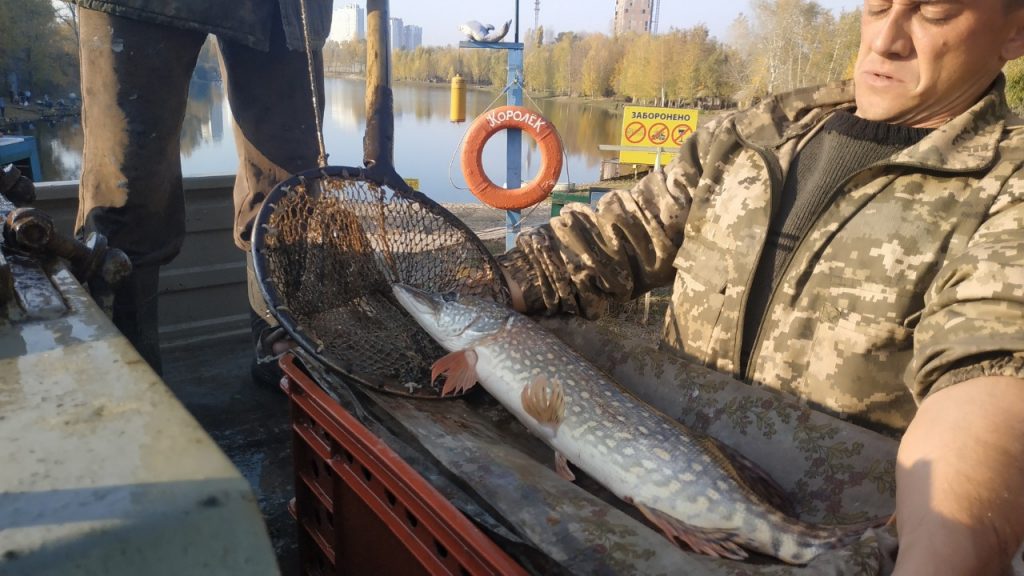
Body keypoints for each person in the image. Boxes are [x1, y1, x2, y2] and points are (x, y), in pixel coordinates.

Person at [498, 1, 1024, 573]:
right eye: (876, 5)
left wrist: (942, 556)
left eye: (936, 12)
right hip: (640, 506)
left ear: (1016, 29)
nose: (886, 39)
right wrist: (480, 286)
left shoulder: (1008, 189)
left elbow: (989, 386)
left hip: (829, 545)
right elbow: (607, 243)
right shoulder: (755, 134)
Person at [74, 0, 332, 378]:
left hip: (286, 9)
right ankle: (127, 381)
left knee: (286, 195)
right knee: (125, 192)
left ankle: (281, 359)